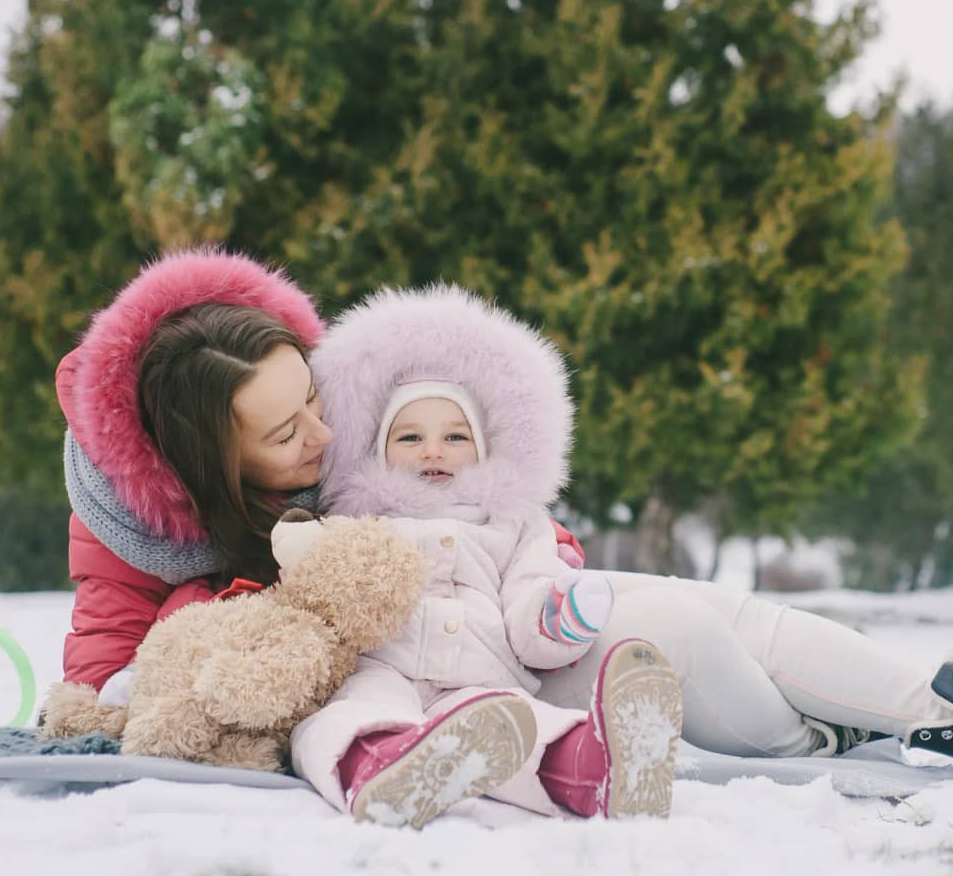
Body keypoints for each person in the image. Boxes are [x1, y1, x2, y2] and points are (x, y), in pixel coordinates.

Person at [49, 249, 953, 800]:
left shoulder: (310, 412)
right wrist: (116, 693)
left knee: (717, 610)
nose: (325, 438)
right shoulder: (134, 524)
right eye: (285, 435)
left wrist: (544, 555)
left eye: (318, 402)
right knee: (686, 639)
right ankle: (892, 728)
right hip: (419, 679)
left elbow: (462, 502)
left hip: (506, 626)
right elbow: (110, 649)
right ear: (210, 462)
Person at [284, 284, 680, 826]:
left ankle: (596, 770)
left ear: (483, 447)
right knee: (342, 717)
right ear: (378, 449)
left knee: (521, 726)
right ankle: (379, 766)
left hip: (481, 679)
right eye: (409, 437)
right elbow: (325, 590)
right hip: (384, 666)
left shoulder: (513, 524)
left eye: (454, 436)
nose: (432, 450)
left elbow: (528, 592)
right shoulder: (360, 522)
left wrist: (557, 616)